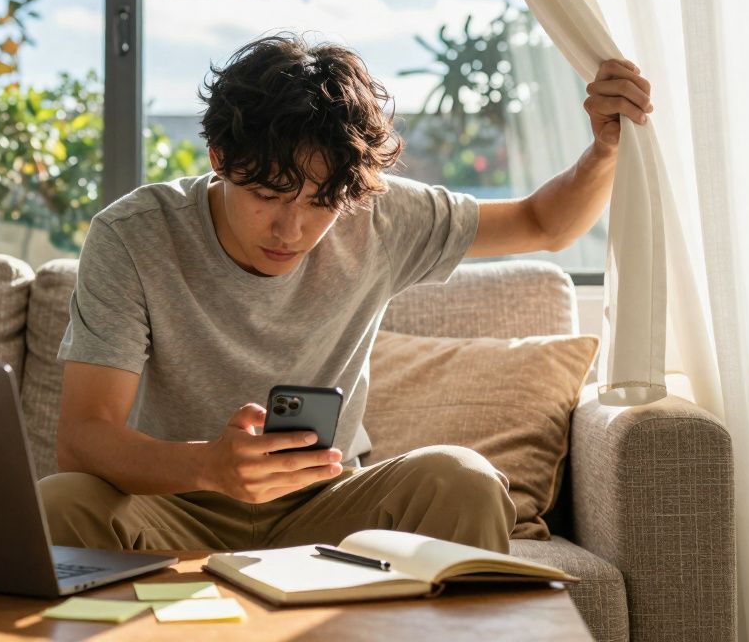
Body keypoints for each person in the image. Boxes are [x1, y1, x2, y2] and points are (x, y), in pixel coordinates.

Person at [39, 32, 652, 554]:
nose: (291, 230)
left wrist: (604, 148)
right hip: (177, 507)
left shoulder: (377, 216)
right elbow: (84, 437)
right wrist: (209, 466)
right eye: (269, 196)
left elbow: (545, 224)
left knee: (463, 479)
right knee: (61, 502)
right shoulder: (133, 234)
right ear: (220, 158)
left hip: (329, 510)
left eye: (319, 203)